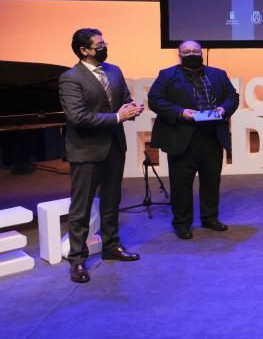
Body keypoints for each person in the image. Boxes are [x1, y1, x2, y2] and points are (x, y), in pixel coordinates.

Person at [58, 28, 144, 283]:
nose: (104, 47)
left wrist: (130, 108)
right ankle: (77, 259)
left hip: (114, 147)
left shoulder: (114, 71)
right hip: (86, 150)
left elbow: (123, 99)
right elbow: (78, 117)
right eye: (99, 45)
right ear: (84, 50)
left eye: (105, 43)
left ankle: (112, 246)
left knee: (111, 201)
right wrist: (118, 117)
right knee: (81, 207)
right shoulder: (70, 78)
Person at [148, 40, 239, 240]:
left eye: (195, 51)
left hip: (212, 136)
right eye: (186, 51)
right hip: (181, 137)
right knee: (181, 184)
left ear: (202, 53)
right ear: (179, 55)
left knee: (211, 181)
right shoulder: (167, 75)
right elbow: (155, 100)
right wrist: (180, 113)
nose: (191, 54)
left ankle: (210, 218)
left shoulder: (218, 74)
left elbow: (233, 97)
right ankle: (182, 223)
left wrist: (224, 109)